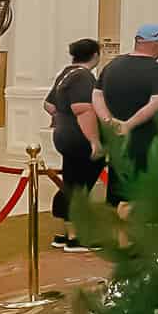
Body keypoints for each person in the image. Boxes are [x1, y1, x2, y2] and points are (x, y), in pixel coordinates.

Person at [92, 23, 158, 209]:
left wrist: (108, 120)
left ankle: (118, 233)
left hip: (116, 141)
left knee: (117, 191)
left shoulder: (113, 65)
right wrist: (129, 124)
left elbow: (96, 94)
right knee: (139, 197)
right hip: (145, 141)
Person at [43, 39, 104, 250]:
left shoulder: (66, 74)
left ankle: (65, 232)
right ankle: (75, 236)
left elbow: (49, 105)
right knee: (79, 185)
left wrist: (62, 118)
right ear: (95, 54)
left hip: (63, 136)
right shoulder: (83, 77)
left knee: (70, 182)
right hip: (79, 139)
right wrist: (94, 141)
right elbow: (83, 109)